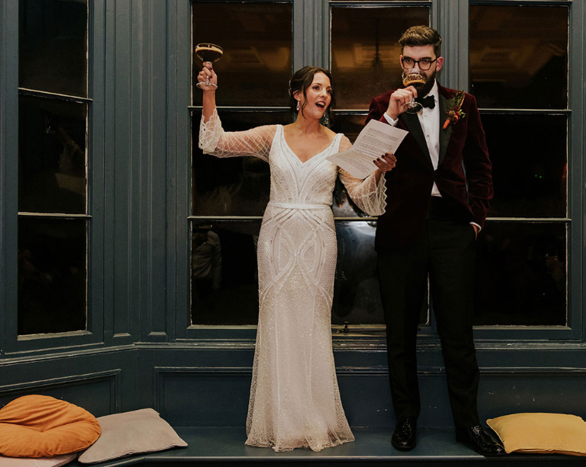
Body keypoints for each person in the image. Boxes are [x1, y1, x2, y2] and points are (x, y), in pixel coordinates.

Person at [197, 64, 395, 452]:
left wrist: (380, 172)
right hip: (278, 238)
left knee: (312, 324)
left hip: (318, 239)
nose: (324, 94)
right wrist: (209, 93)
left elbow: (362, 194)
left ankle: (312, 420)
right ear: (298, 95)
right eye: (317, 87)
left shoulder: (340, 142)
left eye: (329, 90)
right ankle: (278, 422)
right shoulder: (273, 136)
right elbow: (215, 142)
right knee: (277, 321)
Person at [365, 25, 502, 456]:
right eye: (409, 61)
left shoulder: (463, 104)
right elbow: (363, 163)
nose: (416, 68)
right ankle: (406, 421)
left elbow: (481, 166)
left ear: (437, 63)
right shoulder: (382, 104)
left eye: (425, 61)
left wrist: (475, 220)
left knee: (458, 331)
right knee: (400, 332)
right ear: (400, 61)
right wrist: (390, 114)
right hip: (400, 225)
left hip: (451, 227)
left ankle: (468, 425)